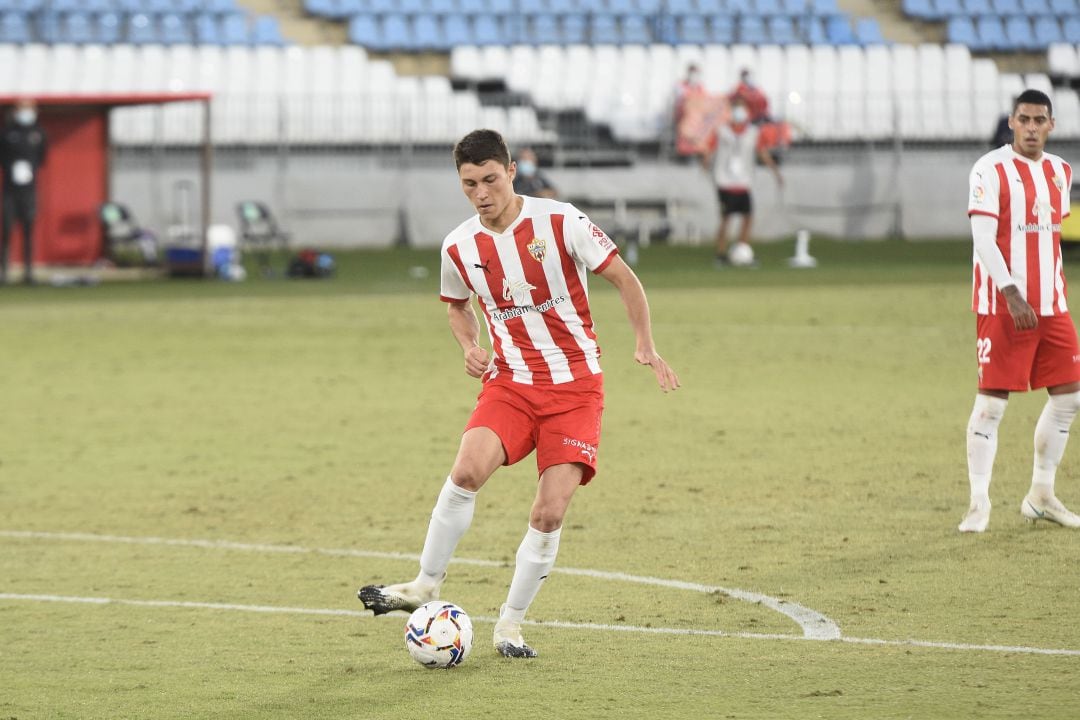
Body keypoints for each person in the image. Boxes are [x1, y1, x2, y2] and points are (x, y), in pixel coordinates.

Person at [357, 129, 680, 658]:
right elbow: (457, 306)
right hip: (510, 384)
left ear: (511, 171)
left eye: (489, 179)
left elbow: (625, 278)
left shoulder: (561, 221)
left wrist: (644, 343)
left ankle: (510, 625)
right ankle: (424, 585)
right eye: (469, 184)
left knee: (549, 512)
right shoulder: (459, 245)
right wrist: (468, 345)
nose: (481, 192)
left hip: (576, 389)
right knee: (465, 472)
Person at [960, 88, 1080, 533]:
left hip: (1052, 304)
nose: (1031, 127)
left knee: (1069, 396)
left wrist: (1044, 295)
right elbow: (984, 239)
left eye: (1039, 120)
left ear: (1051, 125)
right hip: (1004, 304)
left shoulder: (1060, 171)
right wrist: (1012, 293)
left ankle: (1041, 495)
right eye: (1024, 119)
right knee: (992, 405)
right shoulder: (989, 169)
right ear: (1011, 122)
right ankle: (978, 503)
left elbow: (1048, 238)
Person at [704, 96, 782, 267]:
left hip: (743, 182)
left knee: (747, 217)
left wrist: (775, 172)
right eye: (736, 108)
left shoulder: (753, 132)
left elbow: (762, 153)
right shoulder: (721, 131)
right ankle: (720, 253)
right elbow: (708, 150)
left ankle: (742, 250)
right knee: (726, 218)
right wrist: (706, 165)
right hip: (725, 181)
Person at [1, 98, 47, 285]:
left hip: (29, 190)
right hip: (10, 191)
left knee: (28, 230)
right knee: (6, 230)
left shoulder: (38, 133)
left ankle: (28, 272)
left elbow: (42, 158)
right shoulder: (7, 133)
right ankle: (4, 272)